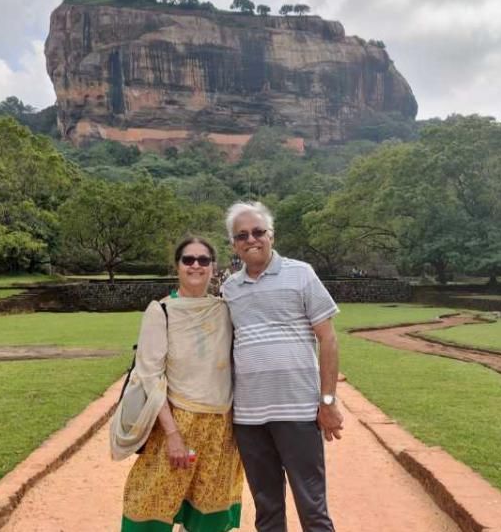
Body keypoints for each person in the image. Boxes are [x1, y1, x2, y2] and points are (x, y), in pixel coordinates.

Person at [221, 202, 343, 532]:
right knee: (267, 509)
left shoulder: (300, 274)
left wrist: (328, 402)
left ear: (271, 235)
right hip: (248, 418)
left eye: (258, 232)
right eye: (242, 235)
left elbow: (328, 340)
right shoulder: (229, 289)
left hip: (298, 412)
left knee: (312, 507)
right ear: (234, 244)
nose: (251, 239)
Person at [112, 236, 244, 532]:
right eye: (188, 260)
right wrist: (172, 434)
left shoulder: (224, 310)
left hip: (220, 428)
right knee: (150, 505)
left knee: (209, 512)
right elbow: (150, 375)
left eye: (203, 260)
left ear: (213, 267)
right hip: (176, 422)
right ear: (177, 266)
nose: (196, 265)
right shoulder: (161, 312)